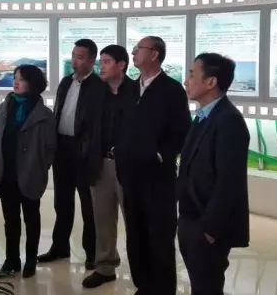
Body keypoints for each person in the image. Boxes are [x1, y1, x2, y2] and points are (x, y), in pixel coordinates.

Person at [114, 36, 190, 295]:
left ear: (155, 54)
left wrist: (159, 155)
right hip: (129, 174)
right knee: (136, 233)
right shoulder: (129, 88)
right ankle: (143, 285)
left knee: (160, 235)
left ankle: (162, 289)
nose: (133, 52)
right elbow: (120, 125)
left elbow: (182, 132)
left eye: (139, 49)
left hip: (158, 177)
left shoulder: (172, 90)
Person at [177, 53, 250, 295]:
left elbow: (229, 182)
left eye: (192, 75)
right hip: (191, 218)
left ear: (211, 82)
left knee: (207, 287)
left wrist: (210, 230)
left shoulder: (229, 121)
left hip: (207, 226)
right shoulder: (203, 116)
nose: (186, 81)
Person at [38, 39, 106, 270]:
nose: (74, 61)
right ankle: (60, 247)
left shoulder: (99, 86)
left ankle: (92, 253)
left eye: (80, 57)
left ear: (92, 60)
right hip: (63, 149)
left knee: (89, 206)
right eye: (73, 55)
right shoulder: (66, 82)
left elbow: (98, 124)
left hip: (85, 151)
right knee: (62, 202)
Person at [0, 64, 57, 279]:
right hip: (6, 171)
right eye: (15, 77)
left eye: (22, 79)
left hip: (30, 173)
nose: (16, 82)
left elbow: (51, 147)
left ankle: (31, 259)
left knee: (31, 218)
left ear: (33, 84)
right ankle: (12, 260)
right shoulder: (4, 107)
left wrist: (40, 166)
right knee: (11, 220)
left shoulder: (44, 114)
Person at [82, 45, 139, 289]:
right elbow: (86, 126)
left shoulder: (137, 91)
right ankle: (105, 267)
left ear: (121, 65)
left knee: (135, 220)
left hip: (130, 166)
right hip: (100, 163)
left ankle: (141, 272)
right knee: (103, 219)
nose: (101, 66)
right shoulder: (95, 92)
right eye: (101, 61)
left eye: (106, 62)